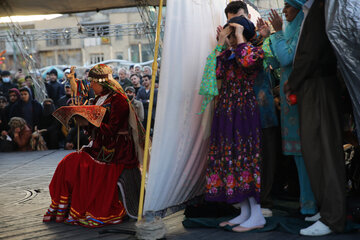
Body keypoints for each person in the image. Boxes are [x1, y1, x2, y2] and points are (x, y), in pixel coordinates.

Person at [43, 64, 145, 227]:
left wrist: (88, 121)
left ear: (102, 82)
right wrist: (83, 122)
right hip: (99, 147)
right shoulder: (98, 99)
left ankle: (89, 207)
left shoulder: (119, 100)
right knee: (67, 163)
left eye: (92, 83)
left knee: (85, 168)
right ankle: (64, 207)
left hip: (117, 151)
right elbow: (94, 128)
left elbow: (112, 130)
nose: (90, 86)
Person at [287, 0, 346, 236]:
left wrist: (293, 82)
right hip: (313, 86)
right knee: (315, 150)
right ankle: (328, 210)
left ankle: (334, 217)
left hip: (318, 85)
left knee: (324, 151)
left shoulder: (322, 8)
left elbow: (311, 53)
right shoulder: (313, 10)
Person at [205, 15, 265, 232]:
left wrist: (240, 37)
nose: (230, 38)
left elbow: (247, 62)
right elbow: (214, 73)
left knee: (245, 158)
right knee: (232, 158)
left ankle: (257, 214)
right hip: (227, 111)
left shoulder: (253, 51)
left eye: (233, 34)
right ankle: (246, 212)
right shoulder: (228, 54)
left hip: (244, 112)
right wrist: (221, 44)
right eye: (229, 35)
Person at [259, 0, 317, 216]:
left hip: (299, 99)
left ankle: (310, 205)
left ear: (299, 8)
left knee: (304, 153)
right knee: (296, 154)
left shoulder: (303, 29)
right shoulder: (289, 30)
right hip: (289, 102)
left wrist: (276, 33)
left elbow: (286, 57)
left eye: (288, 6)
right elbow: (275, 61)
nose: (283, 11)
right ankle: (306, 203)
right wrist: (268, 37)